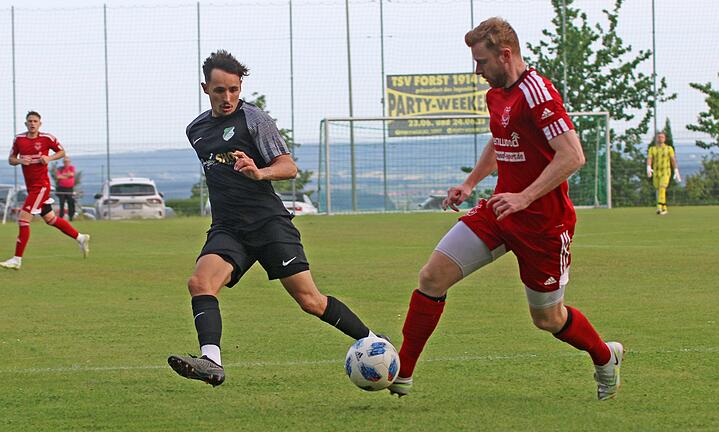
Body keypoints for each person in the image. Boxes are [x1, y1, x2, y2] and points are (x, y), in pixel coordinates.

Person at [387, 18, 623, 401]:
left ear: (505, 54)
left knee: (547, 318)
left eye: (481, 62)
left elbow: (572, 155)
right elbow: (500, 142)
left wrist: (525, 197)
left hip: (544, 226)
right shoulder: (496, 96)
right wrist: (470, 183)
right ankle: (403, 373)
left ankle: (604, 356)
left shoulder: (539, 94)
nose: (477, 71)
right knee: (432, 277)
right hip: (500, 213)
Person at [167, 50, 379, 387]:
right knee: (200, 283)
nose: (228, 98)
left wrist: (259, 172)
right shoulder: (196, 130)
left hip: (267, 223)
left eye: (234, 89)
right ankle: (212, 361)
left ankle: (374, 343)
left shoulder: (254, 120)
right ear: (205, 88)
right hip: (228, 227)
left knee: (310, 301)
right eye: (220, 90)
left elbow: (288, 166)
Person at [0, 111, 90, 270]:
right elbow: (11, 160)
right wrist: (21, 160)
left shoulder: (47, 138)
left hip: (41, 187)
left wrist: (49, 158)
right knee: (51, 219)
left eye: (35, 121)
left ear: (40, 123)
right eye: (30, 121)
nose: (32, 123)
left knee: (23, 219)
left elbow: (62, 152)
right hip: (31, 187)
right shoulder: (19, 139)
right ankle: (80, 237)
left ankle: (17, 259)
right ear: (26, 123)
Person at [647, 131, 680, 215]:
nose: (660, 138)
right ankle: (664, 208)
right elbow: (650, 158)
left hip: (666, 171)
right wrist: (648, 167)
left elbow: (673, 159)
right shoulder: (652, 149)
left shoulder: (669, 148)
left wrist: (676, 170)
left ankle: (659, 207)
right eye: (659, 137)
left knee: (662, 187)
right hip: (657, 172)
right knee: (659, 189)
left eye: (662, 137)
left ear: (665, 139)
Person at [55, 156, 77, 220]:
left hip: (70, 189)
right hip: (61, 188)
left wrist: (64, 175)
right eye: (65, 162)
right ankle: (61, 216)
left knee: (71, 202)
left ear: (69, 162)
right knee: (61, 202)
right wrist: (67, 176)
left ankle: (71, 216)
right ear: (63, 162)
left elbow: (72, 174)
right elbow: (58, 177)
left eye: (67, 162)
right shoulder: (60, 169)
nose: (66, 163)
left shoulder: (71, 168)